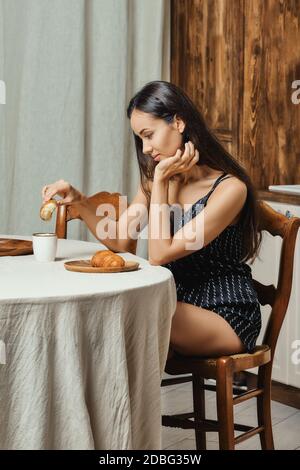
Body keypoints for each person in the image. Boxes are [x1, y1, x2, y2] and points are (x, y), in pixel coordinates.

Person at [42, 80, 262, 358]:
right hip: (175, 300)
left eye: (149, 135)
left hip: (225, 312)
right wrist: (80, 202)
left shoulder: (230, 189)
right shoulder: (155, 179)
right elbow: (122, 239)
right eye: (140, 139)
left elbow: (159, 254)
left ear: (179, 123)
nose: (145, 148)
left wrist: (159, 182)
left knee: (130, 313)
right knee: (115, 310)